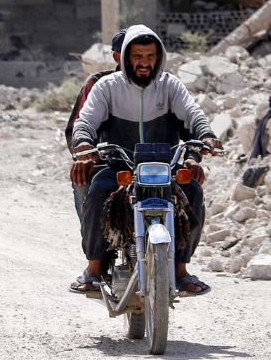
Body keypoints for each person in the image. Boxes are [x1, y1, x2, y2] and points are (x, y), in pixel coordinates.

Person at [68, 24, 222, 297]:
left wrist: (205, 137)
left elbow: (193, 115)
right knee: (97, 192)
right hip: (118, 166)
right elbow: (85, 123)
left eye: (150, 56)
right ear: (125, 57)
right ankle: (93, 268)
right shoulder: (107, 87)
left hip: (165, 166)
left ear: (158, 57)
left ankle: (181, 270)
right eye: (138, 56)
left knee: (193, 192)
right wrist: (83, 146)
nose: (144, 63)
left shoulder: (169, 85)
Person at [63, 29, 126, 219]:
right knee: (84, 183)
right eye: (133, 54)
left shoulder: (161, 84)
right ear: (118, 57)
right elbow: (78, 126)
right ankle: (93, 244)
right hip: (106, 161)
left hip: (149, 162)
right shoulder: (98, 84)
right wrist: (85, 153)